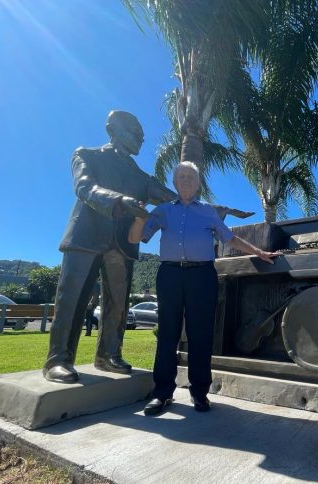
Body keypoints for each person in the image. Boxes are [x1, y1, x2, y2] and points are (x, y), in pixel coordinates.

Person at [128, 161, 281, 415]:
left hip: (202, 275)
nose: (186, 180)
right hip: (170, 274)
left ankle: (199, 393)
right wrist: (138, 216)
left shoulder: (209, 212)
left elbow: (230, 238)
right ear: (175, 182)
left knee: (201, 334)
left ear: (198, 183)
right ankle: (162, 393)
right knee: (167, 333)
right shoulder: (163, 211)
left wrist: (259, 252)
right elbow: (136, 238)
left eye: (191, 176)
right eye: (182, 177)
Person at [43, 110, 176, 383]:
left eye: (142, 136)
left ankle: (109, 354)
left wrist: (208, 211)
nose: (140, 139)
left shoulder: (142, 177)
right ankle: (58, 360)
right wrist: (118, 200)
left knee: (118, 304)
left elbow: (173, 200)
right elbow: (84, 187)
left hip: (122, 245)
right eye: (135, 133)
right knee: (72, 301)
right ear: (112, 130)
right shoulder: (87, 155)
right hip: (85, 237)